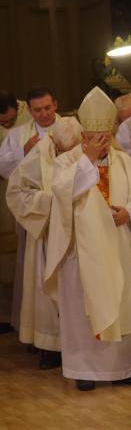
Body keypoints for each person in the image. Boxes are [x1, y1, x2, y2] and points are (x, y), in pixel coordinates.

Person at [45, 87, 131, 391]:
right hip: (82, 253)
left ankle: (127, 368)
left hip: (118, 246)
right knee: (83, 310)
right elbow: (63, 192)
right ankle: (86, 370)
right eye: (95, 139)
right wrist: (87, 160)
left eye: (105, 138)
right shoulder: (68, 163)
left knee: (122, 304)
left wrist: (130, 213)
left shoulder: (124, 162)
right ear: (84, 137)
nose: (101, 144)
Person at [5, 117, 82, 369]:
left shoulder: (85, 153)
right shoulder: (38, 155)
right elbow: (17, 193)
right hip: (48, 234)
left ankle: (81, 346)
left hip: (81, 237)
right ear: (54, 142)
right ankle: (51, 348)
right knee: (47, 290)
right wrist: (50, 201)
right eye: (63, 150)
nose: (68, 156)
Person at [0, 88, 59, 335]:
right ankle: (42, 333)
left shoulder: (72, 127)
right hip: (37, 213)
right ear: (30, 110)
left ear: (55, 104)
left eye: (47, 108)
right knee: (36, 274)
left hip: (68, 212)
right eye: (38, 110)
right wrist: (24, 152)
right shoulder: (17, 136)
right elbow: (4, 170)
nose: (43, 114)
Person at [0, 91, 31, 334]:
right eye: (3, 124)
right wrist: (22, 151)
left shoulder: (30, 116)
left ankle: (14, 312)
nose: (8, 127)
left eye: (11, 121)